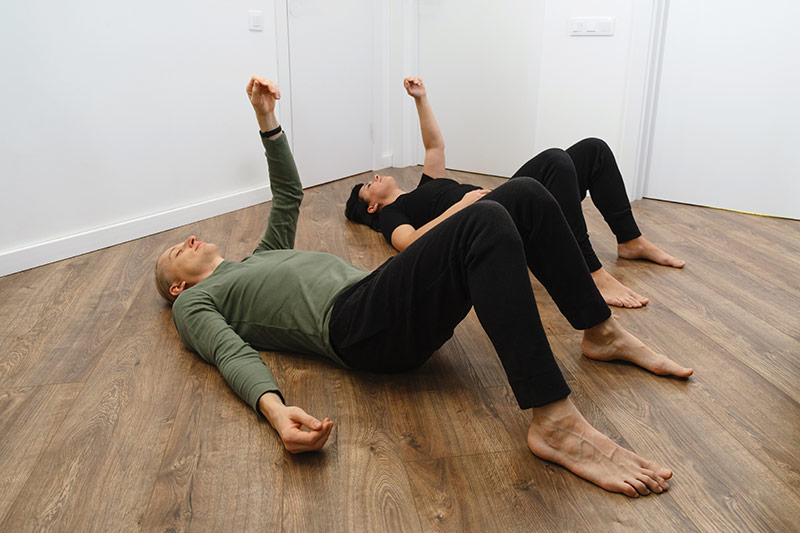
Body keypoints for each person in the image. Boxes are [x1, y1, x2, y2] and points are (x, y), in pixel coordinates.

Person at [155, 76, 693, 498]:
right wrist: (275, 411)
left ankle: (600, 331)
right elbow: (229, 354)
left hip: (380, 294)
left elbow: (289, 193)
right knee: (485, 221)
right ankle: (553, 421)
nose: (190, 240)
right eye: (176, 251)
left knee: (526, 193)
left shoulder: (263, 255)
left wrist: (266, 119)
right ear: (178, 288)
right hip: (355, 327)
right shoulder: (197, 304)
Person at [345, 77, 685, 309]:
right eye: (368, 186)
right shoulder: (392, 215)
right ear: (372, 207)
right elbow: (410, 243)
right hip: (489, 220)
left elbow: (434, 145)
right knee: (554, 159)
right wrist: (461, 206)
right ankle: (590, 272)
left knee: (592, 150)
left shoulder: (425, 187)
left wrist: (420, 98)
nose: (375, 177)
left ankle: (630, 240)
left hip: (503, 199)